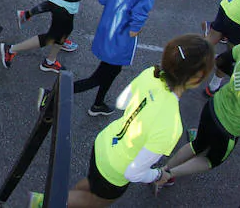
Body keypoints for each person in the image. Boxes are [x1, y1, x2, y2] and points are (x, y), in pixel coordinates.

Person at [65, 35, 213, 207]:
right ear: (197, 78)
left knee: (92, 185)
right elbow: (133, 173)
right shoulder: (171, 125)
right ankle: (41, 201)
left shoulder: (151, 73)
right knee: (96, 201)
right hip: (116, 167)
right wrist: (158, 175)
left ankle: (56, 200)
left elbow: (121, 103)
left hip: (104, 143)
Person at [74, 0, 166, 115]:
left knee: (110, 71)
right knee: (99, 76)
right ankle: (54, 94)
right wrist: (136, 29)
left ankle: (98, 103)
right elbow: (135, 26)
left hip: (107, 31)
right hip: (120, 40)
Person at [162, 41, 240, 187]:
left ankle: (164, 169)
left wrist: (237, 79)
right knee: (211, 160)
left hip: (213, 106)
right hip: (228, 128)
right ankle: (167, 175)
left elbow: (221, 61)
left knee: (197, 144)